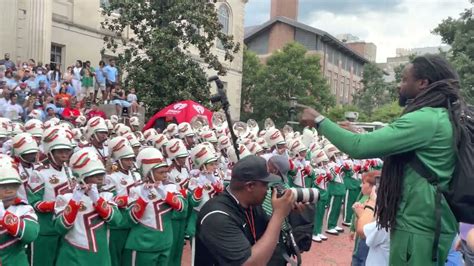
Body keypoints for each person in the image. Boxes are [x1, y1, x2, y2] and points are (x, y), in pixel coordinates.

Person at [300, 54, 461, 265]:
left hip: (417, 228)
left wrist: (319, 120)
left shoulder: (426, 119)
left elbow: (358, 147)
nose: (399, 86)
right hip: (426, 223)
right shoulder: (440, 116)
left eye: (404, 79)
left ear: (423, 83)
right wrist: (358, 131)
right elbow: (407, 156)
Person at [195, 155, 295, 265]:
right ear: (250, 186)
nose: (268, 189)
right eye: (265, 184)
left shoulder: (251, 204)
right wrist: (279, 214)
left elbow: (269, 233)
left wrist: (290, 210)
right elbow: (249, 263)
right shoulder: (216, 216)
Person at [54, 148, 122, 265]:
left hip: (101, 257)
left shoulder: (106, 196)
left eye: (101, 173)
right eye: (95, 174)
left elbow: (116, 220)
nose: (100, 177)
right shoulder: (65, 198)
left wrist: (96, 199)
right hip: (73, 257)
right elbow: (61, 228)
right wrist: (75, 200)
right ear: (82, 177)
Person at [123, 147, 186, 265]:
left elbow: (182, 207)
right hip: (143, 244)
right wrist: (144, 198)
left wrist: (164, 193)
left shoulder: (170, 187)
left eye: (166, 171)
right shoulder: (137, 190)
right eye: (161, 172)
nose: (165, 175)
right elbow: (131, 218)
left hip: (165, 242)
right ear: (149, 173)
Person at [27, 126, 74, 266]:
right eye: (60, 151)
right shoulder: (39, 173)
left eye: (67, 150)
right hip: (46, 229)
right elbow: (34, 203)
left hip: (66, 229)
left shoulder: (71, 171)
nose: (64, 154)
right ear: (50, 152)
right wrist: (58, 205)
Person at [0, 154, 39, 265]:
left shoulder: (23, 208)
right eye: (3, 186)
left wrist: (4, 216)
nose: (10, 191)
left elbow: (31, 234)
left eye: (14, 185)